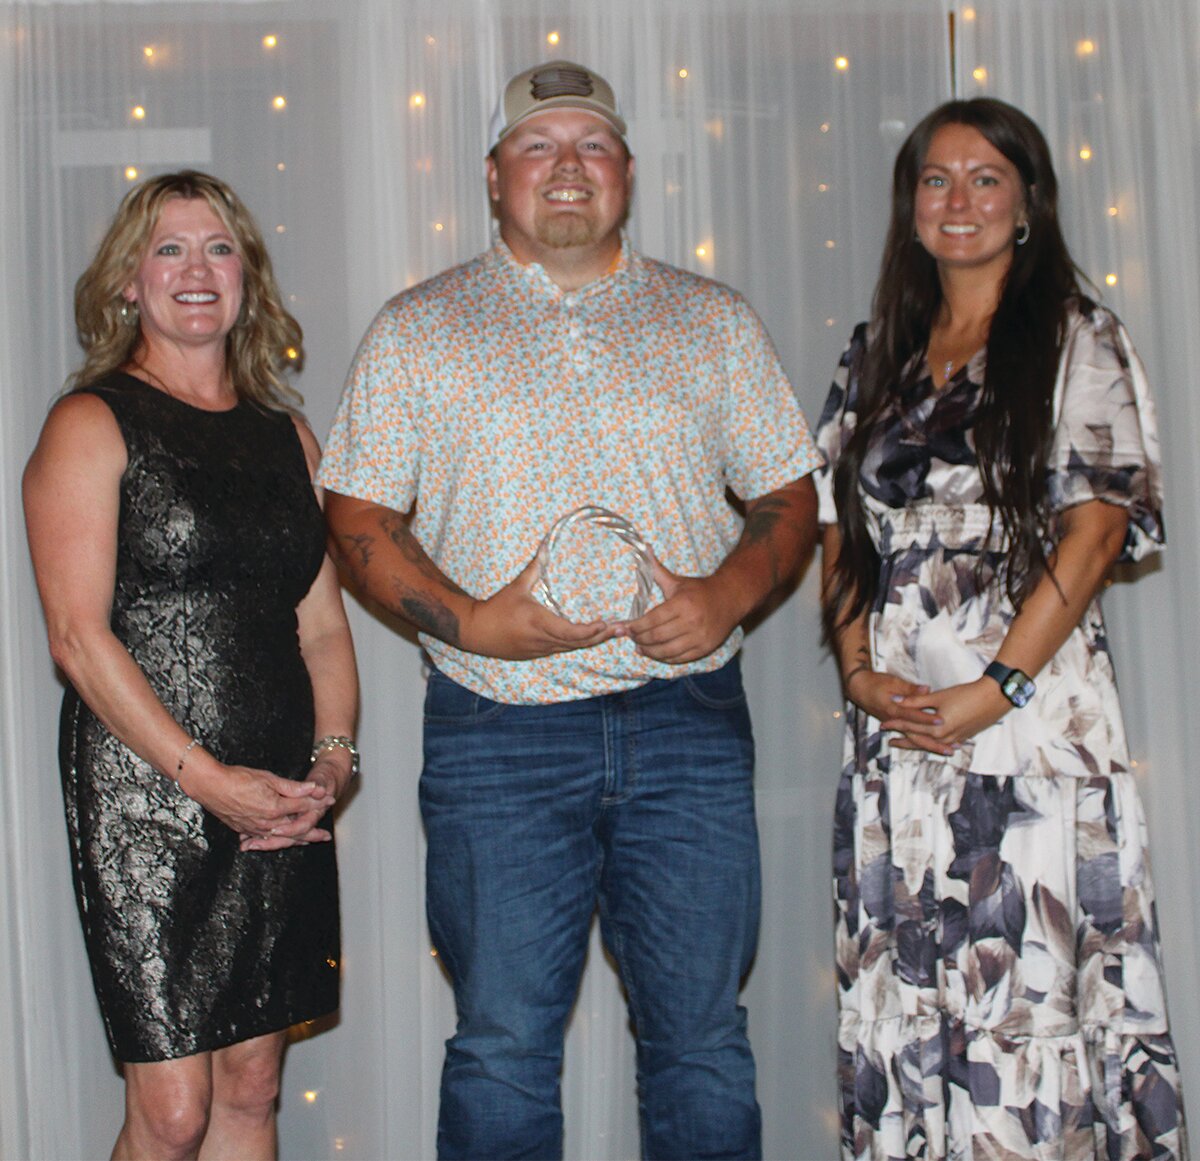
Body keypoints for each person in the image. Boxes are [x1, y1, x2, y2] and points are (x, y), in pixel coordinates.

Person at [318, 59, 819, 1160]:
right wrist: (467, 620)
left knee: (700, 1042)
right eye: (538, 147)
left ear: (628, 174)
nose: (566, 169)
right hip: (496, 731)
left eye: (591, 146)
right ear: (495, 177)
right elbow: (355, 510)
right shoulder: (420, 327)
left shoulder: (710, 319)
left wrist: (728, 593)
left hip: (687, 724)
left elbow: (791, 492)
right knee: (501, 1043)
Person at [816, 98, 1186, 1159]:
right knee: (907, 1000)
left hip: (1029, 729)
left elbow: (1095, 530)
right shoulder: (876, 351)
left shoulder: (1078, 336)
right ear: (911, 207)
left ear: (1027, 204)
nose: (961, 199)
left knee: (1023, 1001)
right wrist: (855, 671)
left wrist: (998, 687)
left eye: (987, 178)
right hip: (898, 739)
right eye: (938, 179)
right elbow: (841, 534)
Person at [23, 171, 358, 1161]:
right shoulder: (91, 423)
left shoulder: (287, 435)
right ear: (129, 280)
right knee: (171, 1114)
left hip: (280, 792)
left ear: (246, 277)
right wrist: (207, 782)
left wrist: (332, 768)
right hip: (147, 794)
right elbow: (79, 639)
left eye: (218, 248)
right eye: (169, 249)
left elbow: (326, 627)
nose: (196, 269)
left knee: (252, 1089)